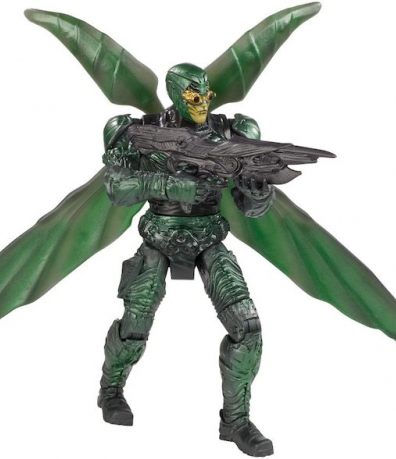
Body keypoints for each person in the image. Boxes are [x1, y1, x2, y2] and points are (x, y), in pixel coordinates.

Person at [98, 63, 275, 457]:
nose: (202, 102)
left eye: (205, 94)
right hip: (159, 236)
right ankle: (110, 390)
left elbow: (251, 208)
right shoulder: (139, 131)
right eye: (193, 95)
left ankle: (236, 421)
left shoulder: (230, 134)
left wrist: (258, 190)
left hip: (208, 235)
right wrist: (170, 185)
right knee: (135, 323)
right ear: (176, 94)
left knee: (247, 326)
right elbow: (116, 188)